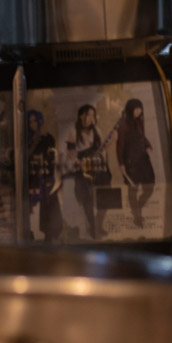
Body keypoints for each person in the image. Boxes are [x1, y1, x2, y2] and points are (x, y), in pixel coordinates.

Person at [64, 103, 110, 240]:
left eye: (92, 115)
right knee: (87, 199)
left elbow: (103, 149)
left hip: (98, 167)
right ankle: (93, 227)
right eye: (87, 114)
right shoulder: (73, 131)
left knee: (105, 197)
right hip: (83, 168)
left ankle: (98, 224)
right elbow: (71, 154)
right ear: (81, 115)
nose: (90, 118)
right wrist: (79, 163)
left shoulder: (97, 131)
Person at [115, 97, 156, 228]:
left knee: (150, 185)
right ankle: (137, 217)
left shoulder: (139, 121)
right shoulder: (122, 124)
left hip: (143, 158)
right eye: (136, 109)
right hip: (130, 161)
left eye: (140, 109)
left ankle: (137, 208)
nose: (139, 111)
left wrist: (148, 145)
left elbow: (142, 136)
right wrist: (121, 163)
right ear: (130, 109)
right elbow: (119, 145)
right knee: (133, 189)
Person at [24, 109, 62, 242]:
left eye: (35, 121)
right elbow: (25, 157)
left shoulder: (48, 138)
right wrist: (34, 142)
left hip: (45, 176)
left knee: (50, 202)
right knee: (28, 206)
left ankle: (49, 233)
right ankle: (28, 233)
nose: (32, 124)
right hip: (32, 176)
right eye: (30, 122)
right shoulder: (26, 139)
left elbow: (51, 155)